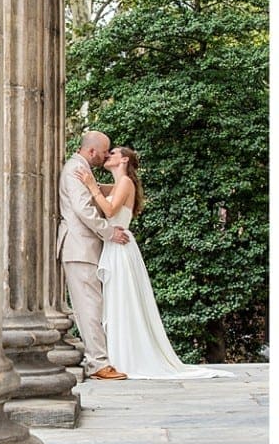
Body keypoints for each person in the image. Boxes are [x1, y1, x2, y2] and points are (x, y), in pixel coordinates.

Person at [75, 147, 233, 379]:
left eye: (113, 153)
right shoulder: (120, 184)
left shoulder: (126, 182)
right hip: (114, 247)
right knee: (116, 302)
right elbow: (101, 194)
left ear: (124, 159)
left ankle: (125, 359)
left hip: (120, 247)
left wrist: (91, 185)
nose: (107, 155)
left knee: (122, 301)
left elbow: (109, 210)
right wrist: (91, 185)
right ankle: (114, 356)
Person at [57, 131, 130, 380]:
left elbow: (101, 193)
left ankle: (99, 360)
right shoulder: (75, 169)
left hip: (85, 247)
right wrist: (109, 232)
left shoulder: (82, 169)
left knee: (93, 305)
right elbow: (84, 210)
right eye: (103, 151)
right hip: (80, 247)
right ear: (91, 151)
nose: (106, 156)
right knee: (89, 306)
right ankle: (97, 364)